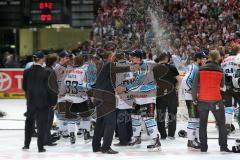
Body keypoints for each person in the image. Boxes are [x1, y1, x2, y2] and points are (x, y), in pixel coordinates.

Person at [92, 48, 137, 154]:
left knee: (100, 123)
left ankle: (96, 146)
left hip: (98, 97)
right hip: (106, 98)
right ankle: (106, 147)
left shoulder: (101, 65)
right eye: (113, 56)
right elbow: (122, 68)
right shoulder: (109, 65)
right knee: (110, 123)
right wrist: (133, 66)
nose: (114, 57)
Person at [192, 50, 231, 152]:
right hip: (216, 100)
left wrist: (194, 99)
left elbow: (194, 85)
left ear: (209, 57)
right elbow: (222, 86)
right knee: (221, 124)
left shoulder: (200, 69)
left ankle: (204, 147)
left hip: (202, 100)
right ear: (218, 57)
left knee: (202, 124)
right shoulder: (220, 70)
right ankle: (223, 146)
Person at [22, 51, 56, 152]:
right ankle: (40, 147)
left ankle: (26, 145)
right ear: (42, 59)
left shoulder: (27, 71)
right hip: (43, 103)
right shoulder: (46, 72)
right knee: (42, 125)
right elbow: (51, 90)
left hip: (31, 102)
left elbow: (24, 87)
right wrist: (53, 102)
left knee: (29, 123)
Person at [181, 51, 207, 149]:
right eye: (203, 58)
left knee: (197, 119)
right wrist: (193, 92)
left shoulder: (196, 67)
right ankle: (191, 141)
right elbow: (186, 81)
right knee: (194, 119)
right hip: (191, 98)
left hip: (193, 97)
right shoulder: (194, 67)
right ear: (198, 59)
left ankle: (195, 139)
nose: (205, 60)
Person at [153, 53, 181, 140]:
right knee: (172, 114)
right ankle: (171, 135)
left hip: (160, 94)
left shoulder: (155, 68)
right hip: (171, 93)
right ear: (166, 59)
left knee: (160, 114)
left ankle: (163, 134)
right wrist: (176, 89)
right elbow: (179, 80)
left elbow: (152, 82)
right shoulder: (172, 67)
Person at [44, 53, 59, 146]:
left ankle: (47, 137)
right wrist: (54, 101)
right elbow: (52, 88)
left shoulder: (45, 69)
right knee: (48, 120)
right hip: (49, 100)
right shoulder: (50, 71)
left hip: (44, 98)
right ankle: (46, 139)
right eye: (56, 60)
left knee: (47, 120)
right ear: (53, 61)